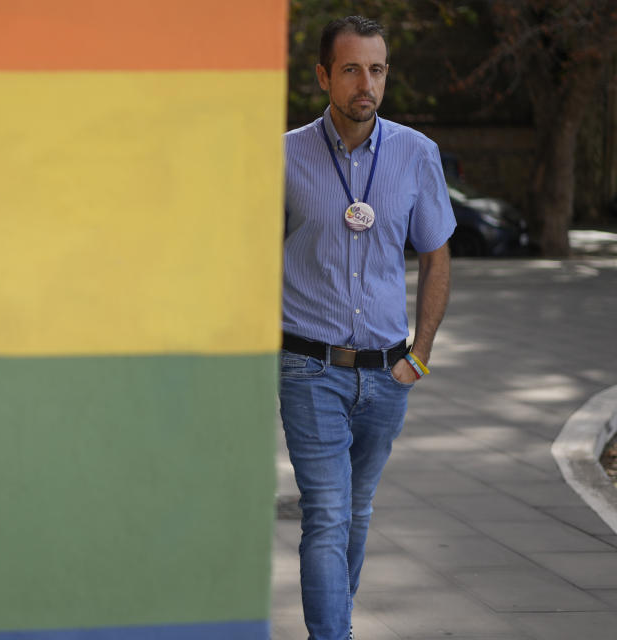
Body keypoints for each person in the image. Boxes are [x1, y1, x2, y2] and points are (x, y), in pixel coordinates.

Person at [280, 15, 455, 640]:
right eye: (351, 69)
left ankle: (336, 621)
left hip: (387, 373)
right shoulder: (286, 155)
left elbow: (436, 257)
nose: (366, 84)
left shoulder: (416, 154)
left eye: (376, 69)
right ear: (325, 74)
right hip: (308, 365)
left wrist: (421, 355)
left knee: (355, 514)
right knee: (327, 514)